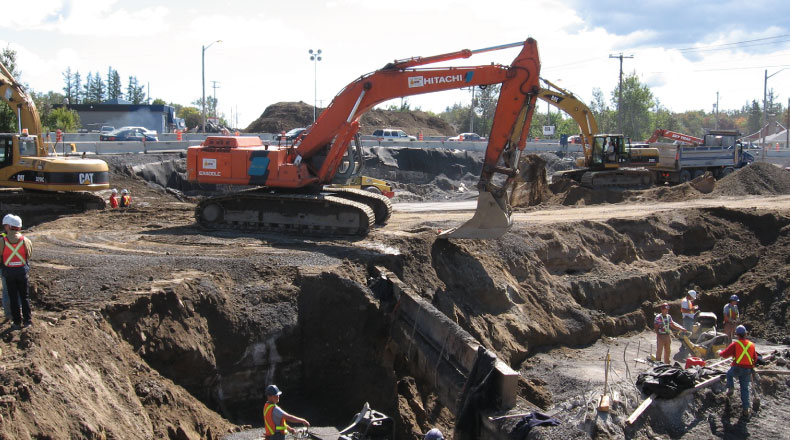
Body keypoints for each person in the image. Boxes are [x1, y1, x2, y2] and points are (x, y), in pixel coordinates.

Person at [718, 325, 758, 417]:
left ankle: (731, 388)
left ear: (736, 334)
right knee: (745, 389)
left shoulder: (735, 344)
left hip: (737, 368)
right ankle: (745, 409)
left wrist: (719, 352)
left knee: (728, 374)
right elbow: (755, 358)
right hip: (747, 370)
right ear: (746, 334)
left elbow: (725, 354)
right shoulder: (751, 345)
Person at [1, 214, 32, 330]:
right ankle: (28, 321)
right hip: (21, 272)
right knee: (24, 297)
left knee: (13, 297)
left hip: (9, 272)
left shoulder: (2, 241)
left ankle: (16, 322)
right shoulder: (25, 240)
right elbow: (29, 254)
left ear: (9, 226)